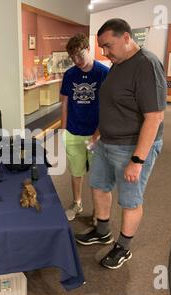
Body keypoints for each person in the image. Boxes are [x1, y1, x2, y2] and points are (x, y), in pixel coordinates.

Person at [75, 19, 166, 270]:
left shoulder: (146, 65)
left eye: (108, 45)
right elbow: (111, 103)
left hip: (131, 147)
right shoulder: (118, 63)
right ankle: (102, 231)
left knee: (130, 200)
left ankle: (123, 248)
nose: (105, 52)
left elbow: (155, 117)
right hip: (107, 141)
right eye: (101, 47)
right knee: (99, 186)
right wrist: (97, 133)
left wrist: (138, 160)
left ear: (126, 37)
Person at [60, 33, 109, 221]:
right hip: (73, 131)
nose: (77, 60)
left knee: (98, 176)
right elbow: (64, 103)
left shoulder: (103, 73)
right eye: (72, 57)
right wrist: (63, 130)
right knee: (76, 171)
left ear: (89, 49)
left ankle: (99, 211)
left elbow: (109, 106)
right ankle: (77, 203)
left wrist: (98, 134)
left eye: (80, 54)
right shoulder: (69, 75)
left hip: (96, 133)